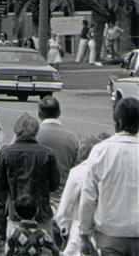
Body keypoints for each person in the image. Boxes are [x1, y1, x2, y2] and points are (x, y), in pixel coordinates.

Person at [79, 98, 139, 256]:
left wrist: (84, 233)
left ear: (117, 120)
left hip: (110, 234)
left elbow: (88, 196)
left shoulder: (101, 150)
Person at [0, 114, 59, 238]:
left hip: (16, 213)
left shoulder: (5, 153)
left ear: (16, 131)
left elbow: (1, 185)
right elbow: (54, 186)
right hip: (41, 213)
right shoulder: (48, 153)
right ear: (36, 131)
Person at [56, 134, 109, 256]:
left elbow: (64, 208)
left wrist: (64, 228)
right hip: (104, 230)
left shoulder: (78, 171)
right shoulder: (108, 172)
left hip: (79, 228)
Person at [37, 96, 78, 210]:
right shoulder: (72, 137)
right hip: (63, 197)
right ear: (59, 113)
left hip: (38, 197)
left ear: (40, 115)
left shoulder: (33, 134)